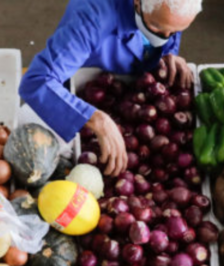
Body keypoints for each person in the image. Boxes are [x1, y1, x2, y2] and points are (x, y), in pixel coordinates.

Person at [20, 0, 202, 176]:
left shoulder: (164, 12)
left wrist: (168, 51)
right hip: (87, 83)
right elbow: (37, 81)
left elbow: (167, 24)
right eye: (156, 27)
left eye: (176, 31)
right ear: (138, 2)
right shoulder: (92, 17)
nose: (164, 37)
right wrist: (94, 118)